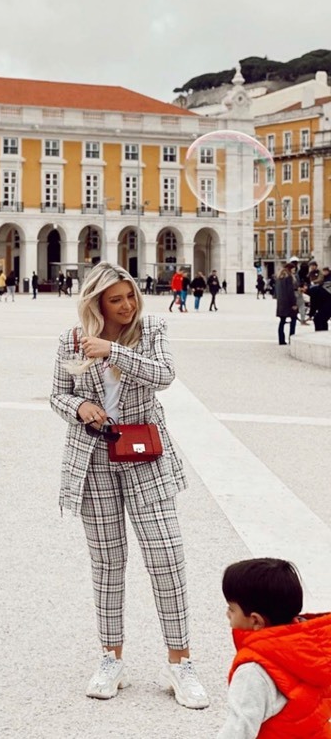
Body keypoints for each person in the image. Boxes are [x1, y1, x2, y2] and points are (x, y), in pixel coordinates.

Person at [50, 262, 209, 709]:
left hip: (146, 455)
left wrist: (112, 352)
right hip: (94, 459)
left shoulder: (152, 328)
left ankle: (181, 663)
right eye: (115, 299)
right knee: (107, 562)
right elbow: (56, 393)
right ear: (97, 302)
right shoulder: (70, 339)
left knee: (166, 559)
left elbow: (164, 375)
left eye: (130, 296)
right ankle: (110, 658)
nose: (127, 306)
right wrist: (79, 405)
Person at [217, 558, 331, 738]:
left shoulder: (254, 672)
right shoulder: (316, 649)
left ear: (256, 621)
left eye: (231, 608)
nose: (227, 613)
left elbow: (238, 730)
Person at [275, 265, 298, 346]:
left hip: (281, 303)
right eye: (293, 269)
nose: (294, 271)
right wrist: (294, 304)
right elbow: (290, 292)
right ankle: (291, 338)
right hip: (289, 303)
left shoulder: (279, 277)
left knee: (282, 321)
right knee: (294, 320)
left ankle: (281, 340)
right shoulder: (289, 278)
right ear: (290, 269)